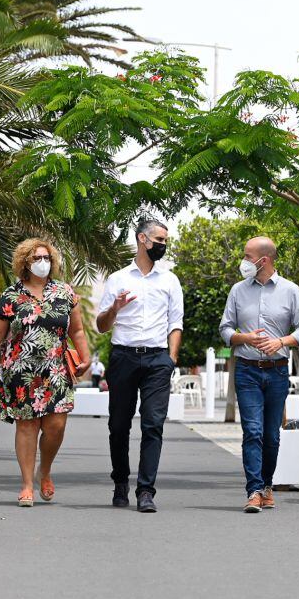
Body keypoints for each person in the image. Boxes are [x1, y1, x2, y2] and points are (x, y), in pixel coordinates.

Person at [0, 238, 91, 506]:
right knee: (27, 426)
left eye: (46, 258)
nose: (43, 263)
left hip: (56, 370)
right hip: (21, 370)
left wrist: (85, 357)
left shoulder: (65, 292)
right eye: (36, 258)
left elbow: (77, 330)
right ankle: (27, 484)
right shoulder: (11, 295)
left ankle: (46, 470)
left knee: (56, 426)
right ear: (25, 263)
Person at [219, 237, 299, 513]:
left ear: (264, 260)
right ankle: (254, 491)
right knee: (252, 431)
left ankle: (268, 486)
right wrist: (242, 336)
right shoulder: (237, 291)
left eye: (247, 256)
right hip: (246, 371)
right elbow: (225, 329)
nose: (243, 261)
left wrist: (281, 342)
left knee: (271, 435)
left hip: (277, 372)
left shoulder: (291, 291)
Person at [97, 218, 183, 513]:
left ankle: (146, 491)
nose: (163, 245)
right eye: (158, 239)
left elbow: (176, 322)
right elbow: (101, 326)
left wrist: (170, 358)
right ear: (141, 239)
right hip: (123, 356)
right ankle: (120, 482)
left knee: (153, 425)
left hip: (158, 359)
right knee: (118, 425)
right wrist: (114, 308)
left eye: (165, 241)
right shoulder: (118, 279)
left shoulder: (170, 279)